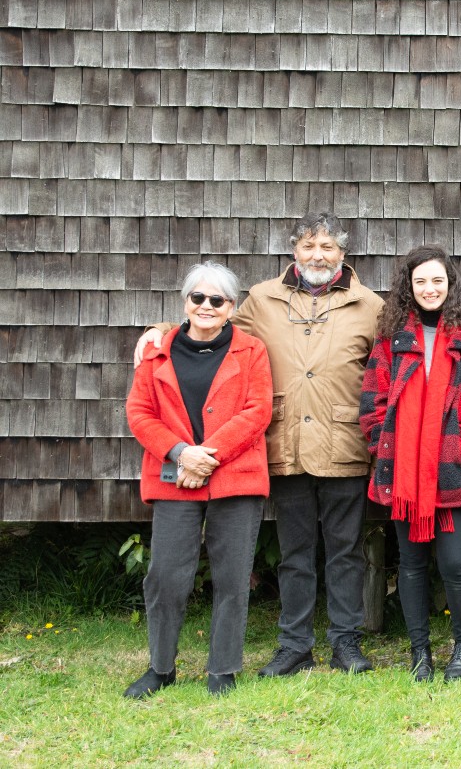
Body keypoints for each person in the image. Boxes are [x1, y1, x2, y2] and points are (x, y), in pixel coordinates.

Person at [136, 212, 383, 676]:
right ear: (293, 250)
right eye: (309, 245)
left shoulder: (370, 305)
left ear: (343, 255)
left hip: (344, 443)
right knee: (294, 552)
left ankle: (346, 643)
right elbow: (210, 324)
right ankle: (294, 645)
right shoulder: (262, 300)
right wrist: (158, 330)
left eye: (328, 247)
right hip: (284, 445)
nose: (318, 255)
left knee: (346, 550)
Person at [124, 262, 272, 697]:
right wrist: (181, 453)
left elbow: (257, 410)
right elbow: (139, 413)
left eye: (217, 300)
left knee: (232, 576)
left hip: (236, 474)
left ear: (232, 307)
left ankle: (223, 668)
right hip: (172, 474)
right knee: (166, 575)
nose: (206, 306)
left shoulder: (252, 351)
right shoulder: (156, 351)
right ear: (185, 301)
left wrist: (208, 455)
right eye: (198, 298)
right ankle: (160, 668)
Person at [360, 245, 461, 682]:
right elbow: (373, 400)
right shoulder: (391, 339)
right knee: (411, 564)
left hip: (453, 469)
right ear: (409, 286)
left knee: (455, 563)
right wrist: (386, 442)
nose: (429, 288)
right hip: (403, 473)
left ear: (450, 284)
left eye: (437, 280)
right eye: (420, 281)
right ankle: (419, 652)